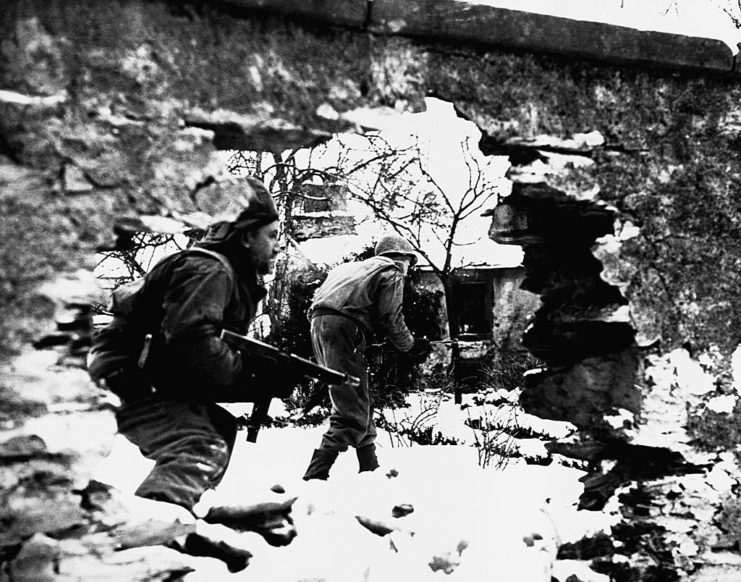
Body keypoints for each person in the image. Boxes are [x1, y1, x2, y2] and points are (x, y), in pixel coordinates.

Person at [87, 176, 297, 513]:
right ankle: (153, 530)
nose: (277, 245)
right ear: (245, 237)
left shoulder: (228, 273)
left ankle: (176, 517)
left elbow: (196, 354)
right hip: (127, 376)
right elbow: (191, 343)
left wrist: (262, 375)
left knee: (219, 429)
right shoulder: (210, 270)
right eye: (271, 235)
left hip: (143, 372)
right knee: (197, 446)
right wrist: (249, 375)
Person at [302, 234, 432, 481]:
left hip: (319, 327)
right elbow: (391, 318)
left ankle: (369, 471)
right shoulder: (391, 271)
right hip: (344, 330)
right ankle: (315, 477)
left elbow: (340, 307)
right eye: (409, 263)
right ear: (402, 257)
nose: (408, 270)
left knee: (357, 397)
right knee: (351, 408)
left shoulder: (349, 269)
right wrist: (410, 346)